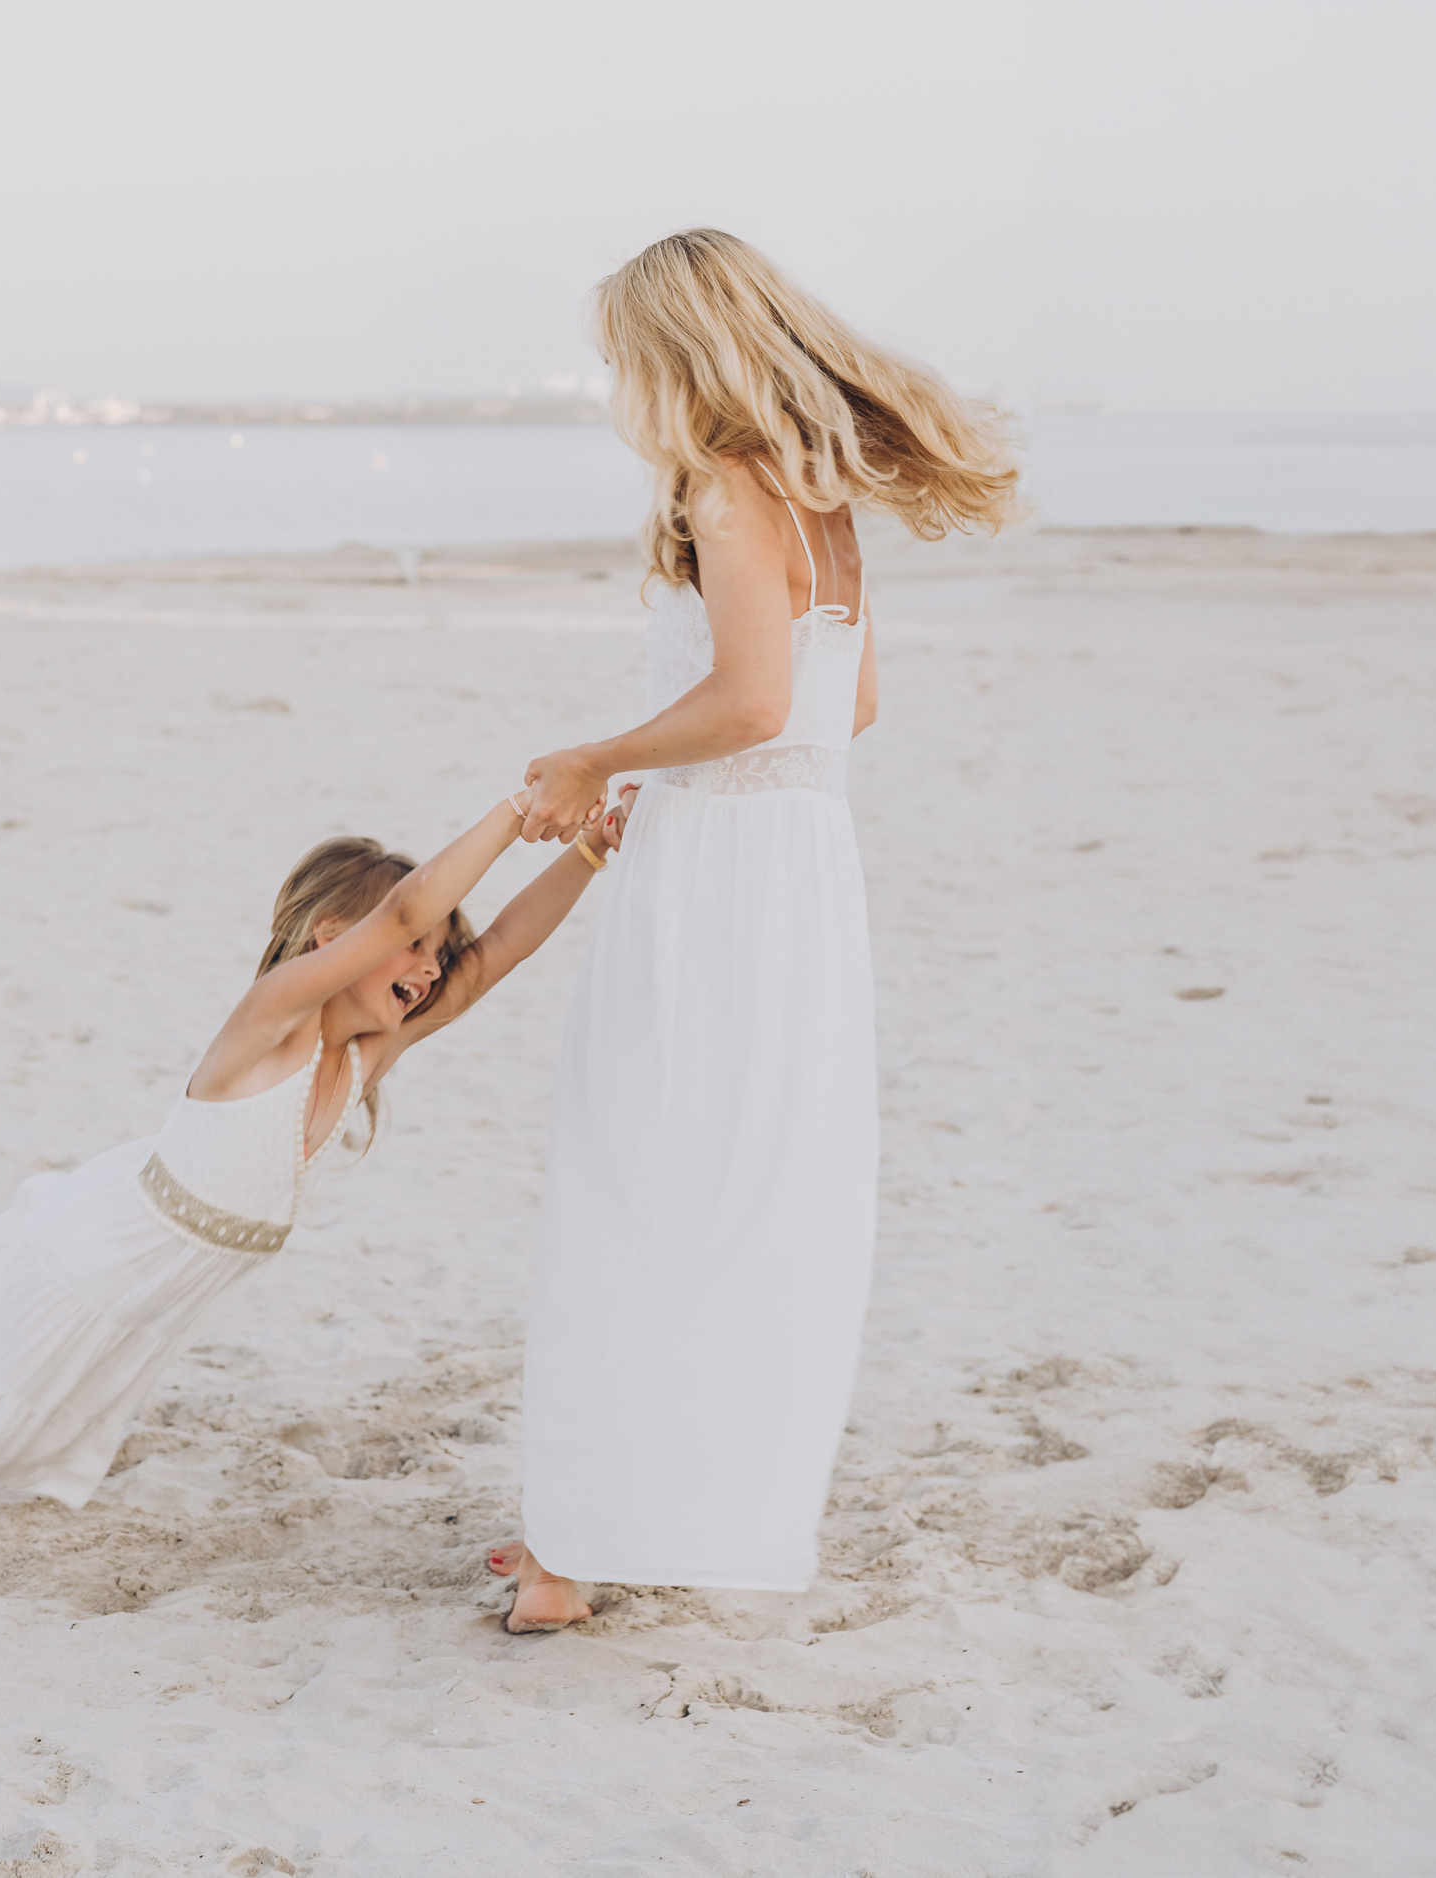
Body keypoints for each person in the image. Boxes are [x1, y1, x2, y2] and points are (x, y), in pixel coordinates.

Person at [495, 228, 1018, 1632]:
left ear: (676, 351)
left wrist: (596, 756)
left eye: (622, 350)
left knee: (633, 1175)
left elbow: (750, 702)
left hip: (717, 865)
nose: (613, 376)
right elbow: (844, 710)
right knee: (748, 1190)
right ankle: (641, 1513)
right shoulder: (822, 504)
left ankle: (568, 1552)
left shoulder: (725, 489)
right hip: (801, 870)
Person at [0, 788, 624, 1509]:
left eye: (434, 953)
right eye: (415, 946)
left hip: (160, 1289)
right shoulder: (270, 1027)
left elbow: (494, 956)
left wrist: (588, 850)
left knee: (32, 1433)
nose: (428, 967)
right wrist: (521, 811)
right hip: (108, 1257)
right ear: (332, 941)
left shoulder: (362, 1054)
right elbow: (398, 917)